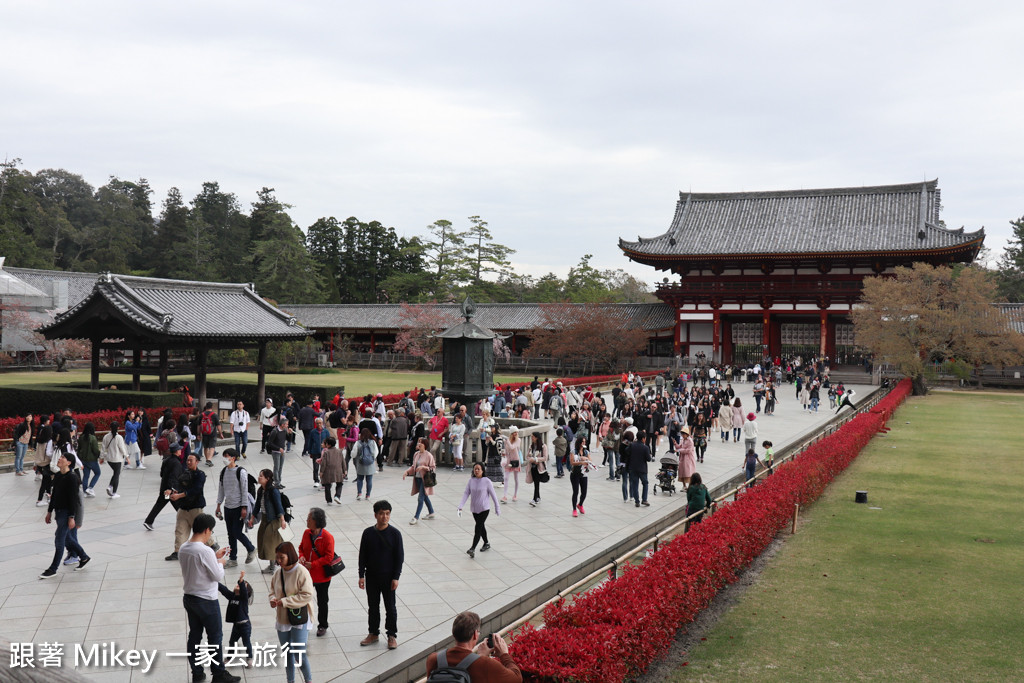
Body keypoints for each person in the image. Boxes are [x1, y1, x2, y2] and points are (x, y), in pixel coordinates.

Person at [179, 513, 241, 683]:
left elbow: (197, 566)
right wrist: (220, 563)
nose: (210, 534)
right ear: (207, 530)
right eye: (211, 531)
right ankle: (219, 674)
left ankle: (197, 673)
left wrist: (214, 556)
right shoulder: (204, 550)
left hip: (190, 598)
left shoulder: (184, 548)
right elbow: (216, 576)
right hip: (206, 600)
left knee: (195, 636)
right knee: (215, 637)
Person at [424, 611, 523, 682]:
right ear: (475, 634)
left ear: (453, 634)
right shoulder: (486, 664)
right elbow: (517, 678)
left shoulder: (433, 659)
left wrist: (480, 656)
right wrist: (504, 654)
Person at [358, 500, 404, 650]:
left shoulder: (395, 534)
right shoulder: (368, 533)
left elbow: (399, 557)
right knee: (373, 606)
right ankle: (373, 633)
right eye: (382, 513)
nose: (385, 517)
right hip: (371, 576)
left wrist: (396, 577)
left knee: (390, 607)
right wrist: (361, 575)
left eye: (387, 514)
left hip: (388, 577)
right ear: (375, 515)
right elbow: (362, 555)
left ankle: (392, 635)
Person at [270, 541, 316, 683]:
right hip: (283, 618)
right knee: (287, 654)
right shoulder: (278, 573)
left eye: (281, 557)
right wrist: (272, 599)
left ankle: (308, 680)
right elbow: (272, 591)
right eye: (277, 557)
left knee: (299, 655)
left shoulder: (301, 571)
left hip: (299, 618)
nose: (278, 561)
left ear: (290, 556)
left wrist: (284, 601)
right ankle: (290, 681)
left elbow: (307, 595)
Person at [40, 449, 90, 578]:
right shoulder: (58, 476)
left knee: (59, 540)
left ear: (68, 462)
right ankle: (83, 557)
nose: (59, 459)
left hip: (66, 512)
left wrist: (72, 517)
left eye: (62, 457)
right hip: (59, 511)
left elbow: (74, 499)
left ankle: (53, 568)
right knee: (67, 538)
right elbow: (54, 495)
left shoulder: (72, 478)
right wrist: (49, 512)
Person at [165, 454, 215, 562]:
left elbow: (196, 490)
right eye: (187, 460)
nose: (188, 462)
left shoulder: (200, 475)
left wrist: (179, 495)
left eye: (191, 460)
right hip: (183, 507)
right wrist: (172, 491)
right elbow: (177, 485)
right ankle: (177, 551)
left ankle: (212, 544)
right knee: (180, 530)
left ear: (197, 462)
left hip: (195, 508)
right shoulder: (184, 473)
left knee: (200, 529)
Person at [216, 448, 256, 568]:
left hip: (238, 506)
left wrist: (244, 507)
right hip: (227, 507)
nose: (224, 459)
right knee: (230, 533)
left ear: (233, 458)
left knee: (236, 532)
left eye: (226, 456)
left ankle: (251, 548)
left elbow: (244, 491)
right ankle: (233, 559)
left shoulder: (241, 472)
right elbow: (221, 490)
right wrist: (218, 505)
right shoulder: (223, 471)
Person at [299, 507, 336, 637]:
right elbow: (301, 547)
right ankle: (303, 623)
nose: (307, 520)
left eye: (309, 518)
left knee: (322, 601)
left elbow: (329, 557)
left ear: (316, 521)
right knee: (304, 600)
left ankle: (322, 625)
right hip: (307, 575)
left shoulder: (327, 537)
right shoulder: (306, 533)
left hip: (322, 577)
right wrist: (301, 556)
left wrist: (313, 564)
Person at [458, 463, 501, 558]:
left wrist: (497, 507)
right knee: (481, 527)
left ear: (482, 470)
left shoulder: (487, 481)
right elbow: (466, 493)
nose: (476, 471)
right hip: (474, 509)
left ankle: (472, 548)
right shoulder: (471, 481)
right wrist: (460, 506)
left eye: (478, 469)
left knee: (477, 528)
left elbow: (494, 496)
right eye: (475, 469)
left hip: (484, 509)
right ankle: (486, 543)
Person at [252, 469, 288, 574]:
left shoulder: (273, 491)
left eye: (261, 476)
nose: (259, 477)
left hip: (273, 520)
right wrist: (252, 517)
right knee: (264, 542)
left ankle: (274, 566)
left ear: (267, 479)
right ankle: (272, 565)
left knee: (270, 544)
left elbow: (278, 506)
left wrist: (282, 520)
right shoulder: (260, 490)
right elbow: (257, 505)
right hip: (264, 519)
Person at [219, 572, 254, 668]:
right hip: (236, 625)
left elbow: (243, 591)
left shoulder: (244, 599)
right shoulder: (232, 596)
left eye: (241, 586)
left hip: (245, 625)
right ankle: (229, 657)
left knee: (246, 642)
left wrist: (241, 581)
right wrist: (215, 582)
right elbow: (224, 590)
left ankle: (249, 658)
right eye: (237, 585)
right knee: (232, 642)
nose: (238, 586)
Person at [404, 438, 436, 524]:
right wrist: (407, 472)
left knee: (420, 498)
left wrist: (423, 467)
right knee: (424, 496)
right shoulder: (416, 454)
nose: (419, 444)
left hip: (425, 479)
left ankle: (416, 517)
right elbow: (413, 467)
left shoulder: (429, 455)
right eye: (418, 442)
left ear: (424, 445)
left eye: (420, 443)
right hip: (417, 479)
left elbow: (433, 468)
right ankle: (431, 512)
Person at [100, 420, 128, 499]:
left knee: (116, 473)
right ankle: (112, 490)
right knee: (116, 475)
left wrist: (101, 457)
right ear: (118, 428)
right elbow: (122, 448)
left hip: (109, 459)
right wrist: (127, 456)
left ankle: (111, 488)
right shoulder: (119, 437)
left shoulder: (106, 436)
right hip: (117, 459)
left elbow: (103, 448)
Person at [568, 437, 593, 517]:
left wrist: (587, 461)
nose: (583, 443)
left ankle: (580, 504)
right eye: (582, 442)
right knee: (575, 492)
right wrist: (580, 460)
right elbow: (572, 462)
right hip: (575, 473)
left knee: (584, 492)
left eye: (584, 442)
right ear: (579, 443)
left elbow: (590, 461)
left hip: (584, 474)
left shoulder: (586, 451)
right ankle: (574, 509)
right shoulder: (573, 451)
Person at [318, 436, 347, 505]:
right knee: (339, 483)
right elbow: (343, 461)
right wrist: (345, 470)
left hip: (328, 471)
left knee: (327, 485)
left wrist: (321, 472)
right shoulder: (339, 451)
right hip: (338, 471)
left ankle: (329, 500)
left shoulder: (326, 453)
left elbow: (323, 463)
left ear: (329, 445)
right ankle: (337, 496)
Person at [627, 430, 652, 508]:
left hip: (633, 468)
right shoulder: (645, 447)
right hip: (642, 469)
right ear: (643, 439)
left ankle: (637, 501)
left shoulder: (632, 445)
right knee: (645, 483)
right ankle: (644, 499)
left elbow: (626, 452)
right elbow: (648, 459)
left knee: (635, 485)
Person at [353, 428, 379, 501]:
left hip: (361, 463)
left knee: (360, 479)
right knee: (369, 479)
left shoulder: (358, 443)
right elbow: (375, 452)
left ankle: (359, 493)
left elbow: (354, 453)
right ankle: (368, 495)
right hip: (370, 463)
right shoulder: (373, 442)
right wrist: (372, 458)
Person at [78, 422, 101, 497]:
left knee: (86, 475)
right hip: (92, 459)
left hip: (83, 460)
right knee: (97, 473)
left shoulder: (81, 437)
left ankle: (85, 491)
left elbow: (79, 448)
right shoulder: (93, 438)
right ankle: (90, 487)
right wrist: (98, 455)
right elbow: (95, 450)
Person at [525, 432, 548, 507]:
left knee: (536, 483)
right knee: (535, 482)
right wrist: (530, 458)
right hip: (532, 467)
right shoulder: (531, 446)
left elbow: (545, 457)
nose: (532, 438)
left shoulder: (543, 446)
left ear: (537, 437)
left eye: (533, 437)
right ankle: (538, 497)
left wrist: (536, 459)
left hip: (539, 467)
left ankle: (535, 499)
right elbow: (527, 456)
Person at [267, 416, 290, 488]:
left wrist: (290, 433)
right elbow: (269, 443)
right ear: (282, 425)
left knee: (280, 467)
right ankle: (276, 483)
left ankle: (279, 481)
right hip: (276, 452)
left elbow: (289, 440)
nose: (287, 425)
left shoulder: (284, 430)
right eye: (286, 424)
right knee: (276, 467)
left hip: (282, 452)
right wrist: (278, 448)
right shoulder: (275, 431)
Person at [501, 426, 522, 503]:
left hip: (515, 461)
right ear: (511, 433)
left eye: (517, 432)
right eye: (514, 432)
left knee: (516, 478)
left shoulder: (518, 440)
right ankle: (505, 496)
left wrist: (507, 441)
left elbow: (512, 447)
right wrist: (503, 453)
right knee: (506, 478)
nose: (516, 434)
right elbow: (507, 450)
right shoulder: (507, 440)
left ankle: (515, 495)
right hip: (508, 461)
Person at [199, 402, 223, 467]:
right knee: (212, 447)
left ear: (206, 407)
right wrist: (220, 433)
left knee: (206, 447)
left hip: (204, 433)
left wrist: (198, 434)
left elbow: (198, 425)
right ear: (211, 407)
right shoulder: (214, 415)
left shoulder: (202, 415)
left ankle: (207, 459)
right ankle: (209, 460)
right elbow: (218, 425)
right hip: (212, 433)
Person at [306, 417, 327, 489]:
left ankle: (323, 480)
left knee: (324, 467)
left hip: (324, 452)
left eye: (320, 423)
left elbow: (329, 441)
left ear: (322, 423)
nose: (319, 424)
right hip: (315, 452)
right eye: (317, 423)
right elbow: (310, 442)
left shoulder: (326, 431)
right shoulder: (313, 432)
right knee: (315, 467)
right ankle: (316, 480)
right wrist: (310, 451)